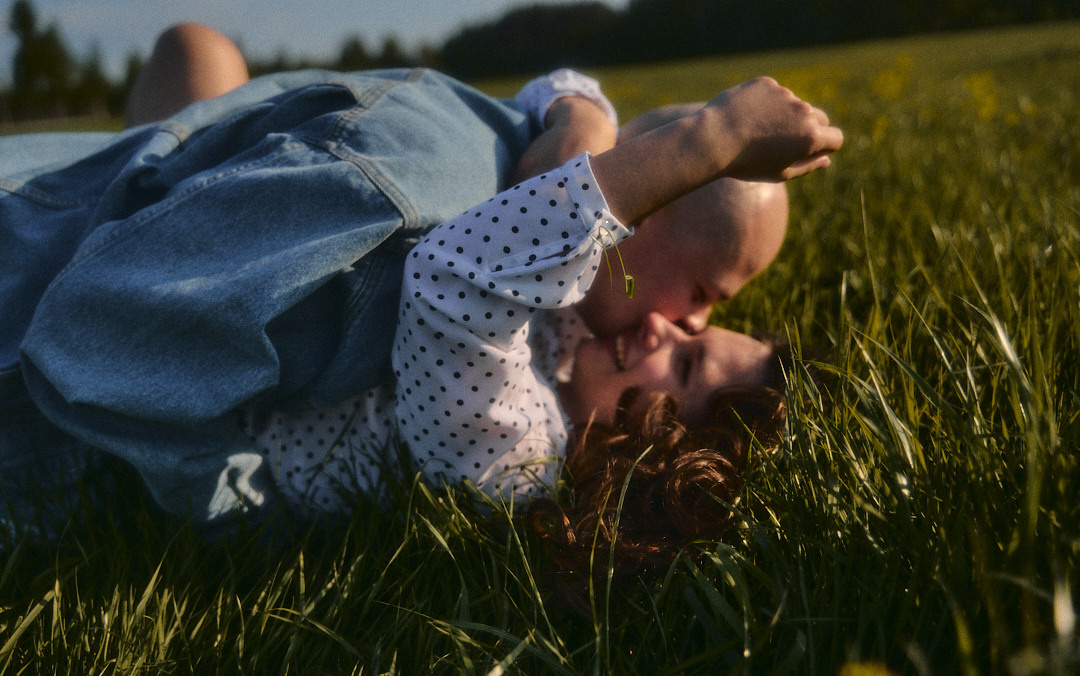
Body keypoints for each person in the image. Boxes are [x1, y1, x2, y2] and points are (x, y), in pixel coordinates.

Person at [1, 24, 842, 542]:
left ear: (660, 457)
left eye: (686, 361)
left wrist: (712, 139)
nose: (664, 327)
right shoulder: (574, 342)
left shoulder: (522, 463)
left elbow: (459, 284)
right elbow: (560, 130)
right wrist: (581, 110)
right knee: (197, 55)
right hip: (225, 308)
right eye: (696, 318)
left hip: (140, 435)